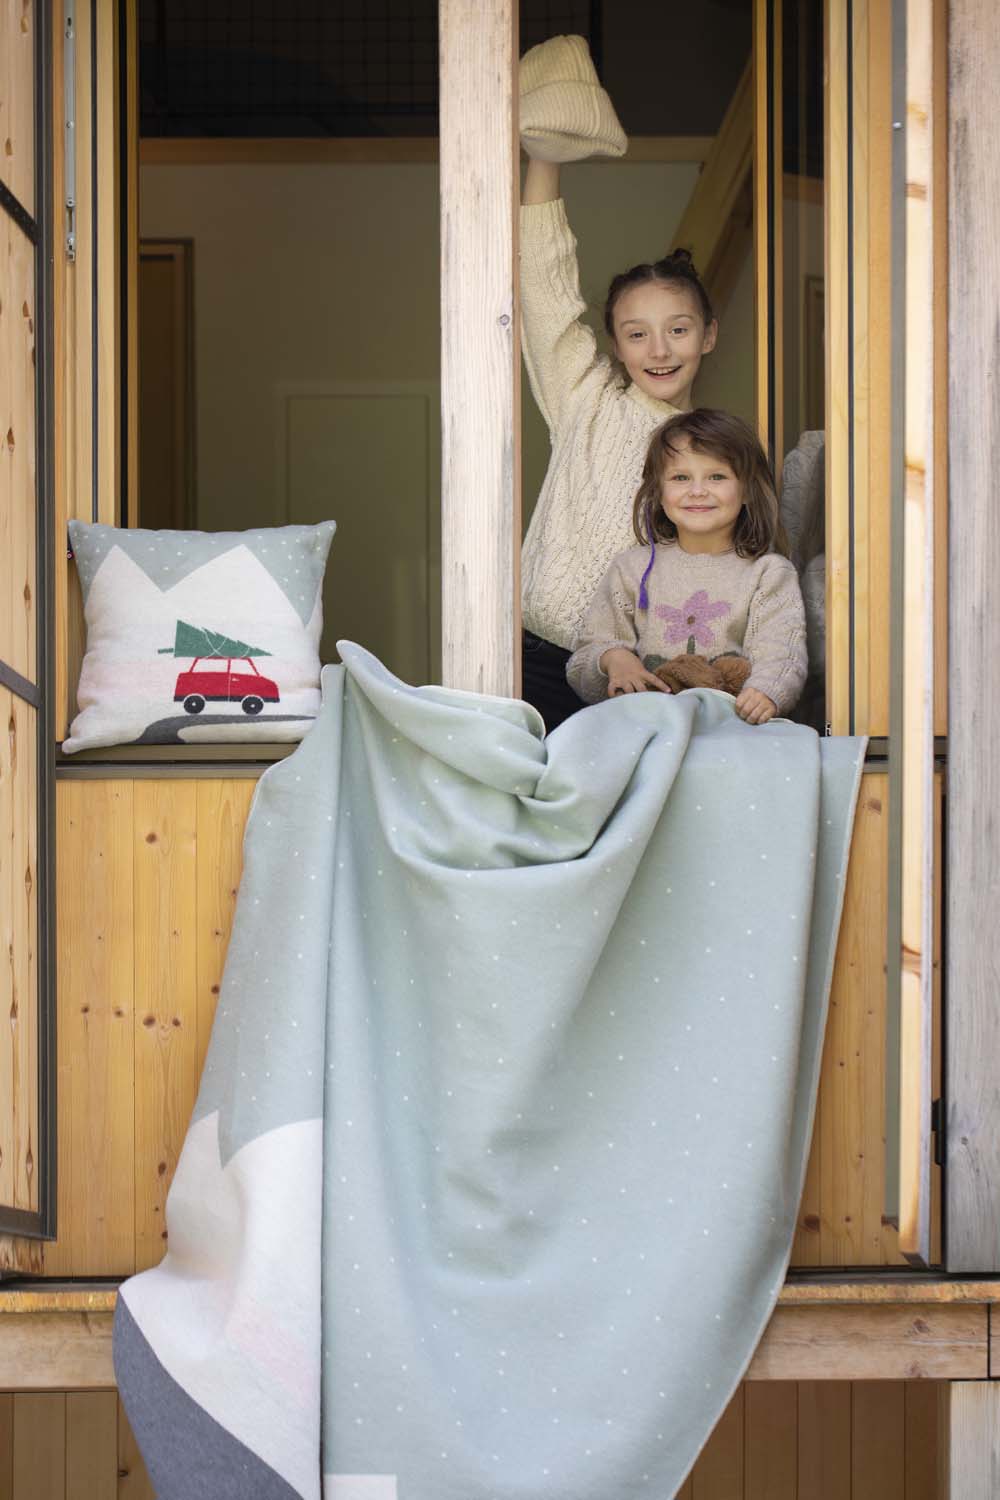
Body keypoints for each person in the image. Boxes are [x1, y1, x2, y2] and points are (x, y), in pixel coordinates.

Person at [520, 153, 719, 731]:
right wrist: (544, 156)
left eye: (677, 330)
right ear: (616, 343)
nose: (658, 351)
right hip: (538, 660)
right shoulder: (586, 398)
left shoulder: (718, 450)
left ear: (707, 336)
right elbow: (543, 286)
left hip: (643, 676)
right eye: (638, 335)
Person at [565, 409, 808, 725]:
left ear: (747, 489)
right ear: (658, 492)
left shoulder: (768, 573)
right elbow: (584, 658)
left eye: (717, 476)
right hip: (645, 728)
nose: (697, 491)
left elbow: (781, 651)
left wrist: (766, 691)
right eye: (680, 477)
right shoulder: (631, 569)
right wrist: (613, 660)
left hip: (729, 728)